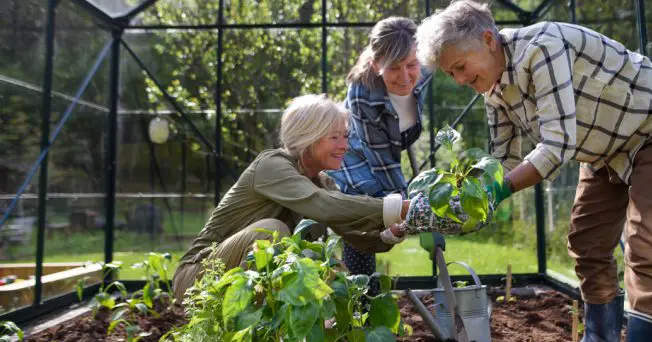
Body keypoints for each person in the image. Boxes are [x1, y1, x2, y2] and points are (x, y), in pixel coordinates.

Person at [415, 2, 652, 342]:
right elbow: (503, 162)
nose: (457, 79)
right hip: (605, 147)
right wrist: (469, 197)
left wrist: (496, 193)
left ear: (488, 40)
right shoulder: (493, 88)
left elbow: (556, 146)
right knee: (587, 240)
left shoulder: (542, 47)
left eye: (459, 67)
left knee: (649, 246)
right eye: (449, 73)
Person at [173, 94, 492, 301]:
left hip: (240, 278)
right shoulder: (272, 166)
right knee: (272, 230)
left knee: (288, 246)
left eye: (346, 135)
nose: (344, 145)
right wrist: (402, 204)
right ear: (308, 139)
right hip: (198, 276)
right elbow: (322, 206)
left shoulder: (322, 181)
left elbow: (355, 234)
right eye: (334, 137)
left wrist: (401, 227)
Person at [327, 16, 432, 295]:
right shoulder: (363, 91)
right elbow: (381, 160)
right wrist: (409, 208)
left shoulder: (426, 67)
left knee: (391, 210)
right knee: (363, 223)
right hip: (355, 157)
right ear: (376, 65)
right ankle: (362, 304)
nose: (406, 76)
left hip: (392, 146)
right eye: (394, 68)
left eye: (411, 64)